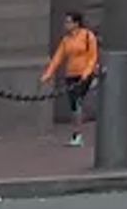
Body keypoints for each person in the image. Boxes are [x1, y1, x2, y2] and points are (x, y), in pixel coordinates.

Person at [42, 10, 100, 146]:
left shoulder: (87, 36)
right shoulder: (66, 40)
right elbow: (58, 57)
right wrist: (48, 74)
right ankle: (77, 131)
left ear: (76, 23)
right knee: (74, 105)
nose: (66, 25)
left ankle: (77, 134)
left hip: (84, 74)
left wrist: (86, 73)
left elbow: (93, 56)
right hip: (71, 74)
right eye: (66, 22)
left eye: (68, 22)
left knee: (77, 102)